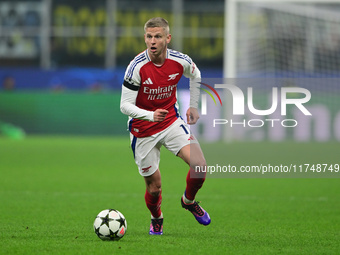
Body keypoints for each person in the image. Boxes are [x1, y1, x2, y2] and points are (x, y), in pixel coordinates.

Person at [120, 17, 210, 235]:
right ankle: (156, 217)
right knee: (154, 187)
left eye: (158, 36)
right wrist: (150, 115)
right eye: (149, 36)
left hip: (170, 122)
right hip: (143, 131)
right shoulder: (136, 67)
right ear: (145, 38)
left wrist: (194, 106)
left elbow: (196, 75)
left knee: (199, 166)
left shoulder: (180, 61)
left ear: (167, 38)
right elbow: (124, 105)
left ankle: (188, 201)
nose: (153, 41)